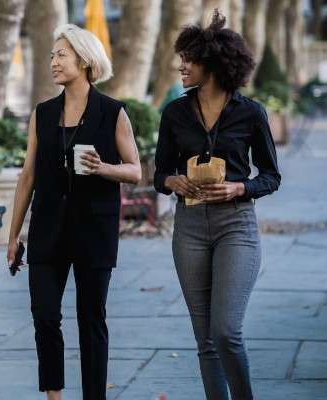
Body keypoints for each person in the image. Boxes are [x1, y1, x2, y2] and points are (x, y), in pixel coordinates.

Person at [7, 24, 141, 400]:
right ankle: (54, 396)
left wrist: (104, 169)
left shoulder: (112, 112)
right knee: (44, 315)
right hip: (48, 230)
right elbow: (27, 175)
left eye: (60, 54)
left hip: (93, 231)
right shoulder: (43, 114)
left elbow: (135, 170)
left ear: (84, 60)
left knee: (91, 320)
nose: (53, 61)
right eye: (51, 55)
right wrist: (14, 234)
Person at [154, 11, 280, 400]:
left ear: (214, 64)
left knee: (226, 332)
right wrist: (171, 180)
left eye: (189, 60)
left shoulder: (250, 112)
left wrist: (240, 188)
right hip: (189, 227)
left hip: (236, 227)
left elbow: (271, 176)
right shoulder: (174, 113)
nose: (182, 66)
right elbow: (159, 173)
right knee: (205, 339)